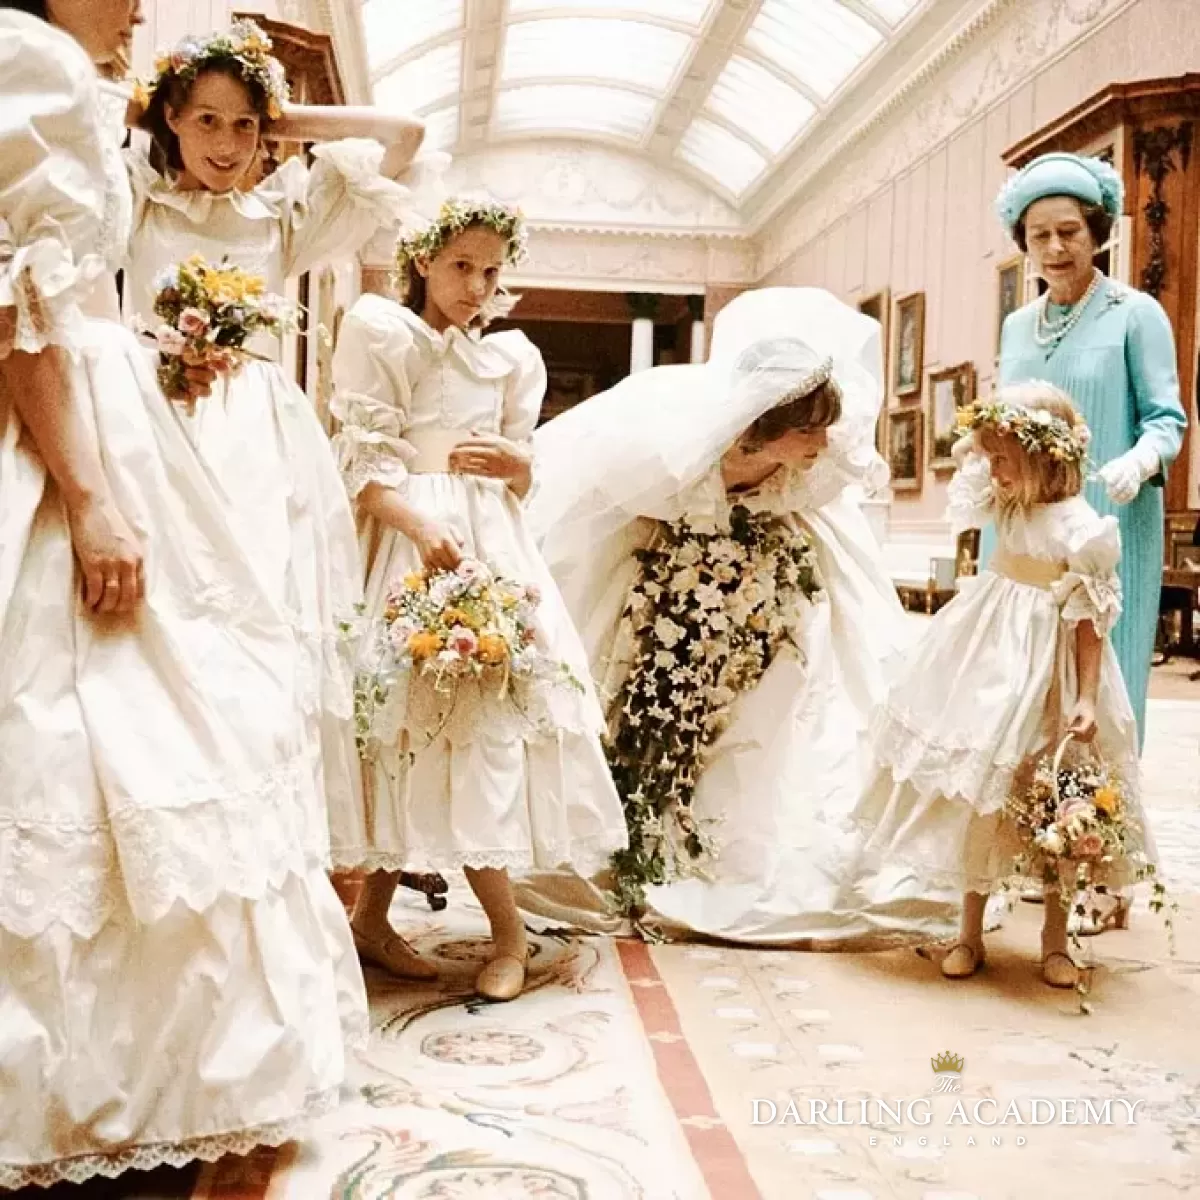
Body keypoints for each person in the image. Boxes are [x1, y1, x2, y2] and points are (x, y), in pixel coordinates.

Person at [0, 1, 366, 1188]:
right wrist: (90, 494)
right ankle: (118, 1087)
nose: (142, 7)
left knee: (182, 725)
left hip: (125, 418)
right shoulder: (35, 63)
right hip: (72, 436)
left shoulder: (65, 77)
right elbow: (24, 317)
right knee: (112, 738)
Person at [513, 288, 960, 946]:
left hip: (782, 582)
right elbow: (607, 505)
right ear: (762, 426)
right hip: (673, 580)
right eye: (807, 429)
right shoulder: (678, 459)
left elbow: (826, 483)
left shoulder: (814, 471)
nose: (822, 442)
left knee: (804, 702)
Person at [123, 20, 423, 826]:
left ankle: (249, 811)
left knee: (255, 618)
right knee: (164, 616)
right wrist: (155, 107)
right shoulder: (136, 202)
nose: (226, 143)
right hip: (151, 416)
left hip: (256, 437)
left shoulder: (278, 216)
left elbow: (404, 135)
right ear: (172, 122)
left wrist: (279, 113)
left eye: (243, 125)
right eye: (206, 121)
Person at [329, 196, 628, 1001]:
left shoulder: (510, 359)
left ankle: (507, 934)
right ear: (424, 262)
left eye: (491, 271)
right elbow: (361, 469)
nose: (476, 284)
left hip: (490, 542)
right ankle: (371, 919)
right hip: (412, 541)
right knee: (405, 724)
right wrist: (420, 527)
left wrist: (513, 467)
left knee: (484, 719)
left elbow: (525, 474)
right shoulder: (384, 335)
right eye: (461, 265)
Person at [847, 383, 1151, 989]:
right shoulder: (1006, 504)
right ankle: (968, 931)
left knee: (1055, 800)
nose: (994, 472)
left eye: (1005, 461)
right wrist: (989, 438)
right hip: (988, 658)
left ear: (1044, 460)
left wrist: (1086, 696)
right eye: (992, 460)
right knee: (980, 794)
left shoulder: (1081, 527)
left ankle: (1056, 939)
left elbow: (1090, 618)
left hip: (1051, 667)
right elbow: (969, 463)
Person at [992, 152, 1186, 933]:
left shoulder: (1136, 313)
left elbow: (1168, 419)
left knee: (1100, 699)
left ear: (1098, 232)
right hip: (1025, 538)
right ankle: (1032, 853)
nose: (1055, 247)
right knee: (1023, 699)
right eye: (1039, 235)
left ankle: (1100, 875)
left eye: (1069, 231)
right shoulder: (1015, 324)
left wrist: (1139, 462)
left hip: (1108, 528)